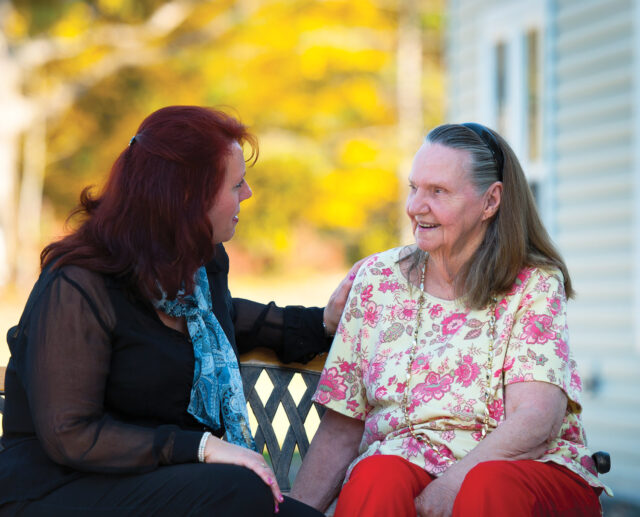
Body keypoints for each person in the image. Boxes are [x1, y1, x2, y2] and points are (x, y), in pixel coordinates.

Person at [0, 105, 360, 516]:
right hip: (58, 492)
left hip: (163, 486)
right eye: (237, 184)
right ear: (188, 199)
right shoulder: (78, 286)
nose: (248, 194)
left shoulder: (198, 266)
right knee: (240, 491)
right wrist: (201, 446)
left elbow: (223, 320)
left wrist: (322, 323)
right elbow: (70, 435)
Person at [291, 122, 612, 516]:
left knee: (486, 487)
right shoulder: (377, 279)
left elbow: (535, 421)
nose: (415, 206)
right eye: (414, 188)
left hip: (522, 471)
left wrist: (449, 489)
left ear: (490, 201)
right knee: (377, 475)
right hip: (408, 466)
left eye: (437, 192)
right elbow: (344, 426)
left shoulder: (534, 284)